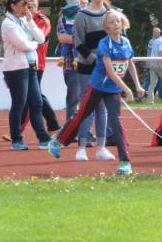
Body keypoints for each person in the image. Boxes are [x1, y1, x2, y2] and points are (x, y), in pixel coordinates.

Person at [49, 10, 144, 175]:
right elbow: (110, 72)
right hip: (97, 87)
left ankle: (124, 161)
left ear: (123, 23)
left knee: (116, 123)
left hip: (113, 89)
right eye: (112, 22)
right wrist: (127, 89)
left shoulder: (126, 43)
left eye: (118, 21)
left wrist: (138, 85)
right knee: (81, 115)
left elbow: (130, 64)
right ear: (107, 28)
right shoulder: (104, 44)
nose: (116, 24)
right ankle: (58, 141)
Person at [2, 0, 60, 142]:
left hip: (33, 66)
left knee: (36, 102)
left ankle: (43, 137)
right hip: (17, 68)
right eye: (24, 4)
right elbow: (23, 45)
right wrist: (33, 44)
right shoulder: (8, 23)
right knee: (20, 103)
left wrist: (30, 22)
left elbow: (40, 38)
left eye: (30, 3)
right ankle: (17, 137)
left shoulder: (32, 20)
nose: (27, 7)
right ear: (13, 6)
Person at [71, 0, 117, 161]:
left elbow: (117, 40)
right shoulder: (82, 15)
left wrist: (111, 62)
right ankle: (82, 147)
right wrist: (94, 60)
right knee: (87, 107)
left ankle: (101, 148)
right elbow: (78, 42)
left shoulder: (111, 14)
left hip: (107, 69)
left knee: (102, 108)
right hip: (88, 69)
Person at [57, 0, 83, 123]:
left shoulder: (86, 16)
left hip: (89, 63)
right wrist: (81, 39)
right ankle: (71, 128)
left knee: (88, 99)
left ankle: (85, 130)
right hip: (70, 64)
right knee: (73, 97)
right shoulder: (63, 16)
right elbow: (62, 38)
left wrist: (74, 38)